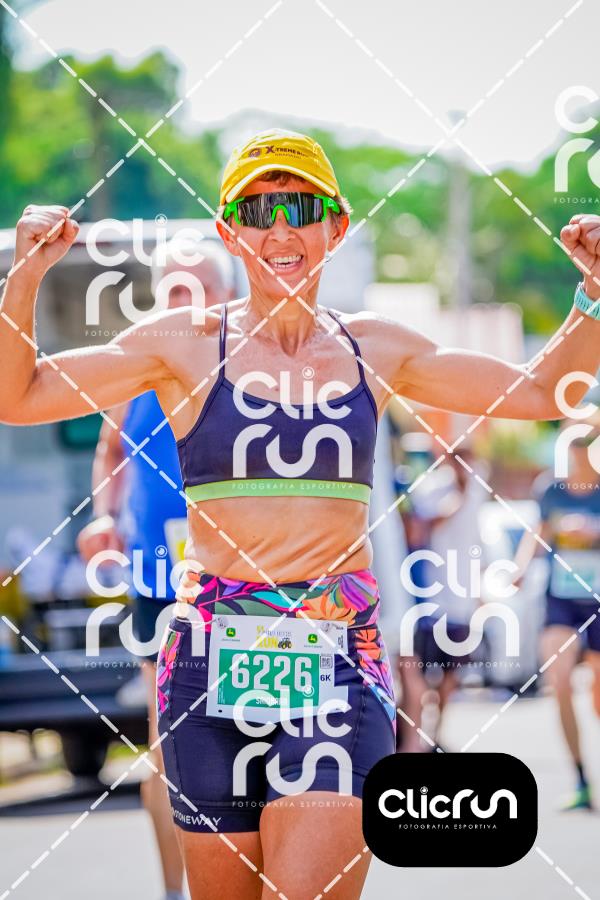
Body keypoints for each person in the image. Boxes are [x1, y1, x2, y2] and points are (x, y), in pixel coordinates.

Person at [2, 127, 600, 899]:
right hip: (207, 667)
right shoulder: (183, 346)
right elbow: (19, 396)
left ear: (335, 226)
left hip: (337, 661)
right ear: (230, 233)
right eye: (257, 210)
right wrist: (26, 274)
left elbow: (539, 390)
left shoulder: (375, 348)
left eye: (300, 207)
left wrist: (591, 294)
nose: (279, 229)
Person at [76, 237, 235, 900]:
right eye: (173, 288)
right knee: (168, 745)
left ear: (228, 296)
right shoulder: (137, 360)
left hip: (245, 584)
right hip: (159, 582)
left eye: (199, 288)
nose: (185, 300)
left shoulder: (248, 362)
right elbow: (111, 450)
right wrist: (103, 515)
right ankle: (176, 892)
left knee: (245, 739)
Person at [513, 422, 600, 811]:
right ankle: (580, 778)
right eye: (572, 444)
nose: (577, 451)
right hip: (561, 599)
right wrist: (519, 568)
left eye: (585, 443)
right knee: (559, 680)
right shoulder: (551, 489)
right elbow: (539, 532)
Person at [398, 448, 489, 752]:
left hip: (461, 604)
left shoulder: (476, 493)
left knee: (452, 675)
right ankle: (416, 735)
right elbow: (422, 529)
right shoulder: (432, 488)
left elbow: (476, 543)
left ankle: (435, 734)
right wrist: (456, 501)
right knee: (420, 675)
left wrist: (479, 594)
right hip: (432, 600)